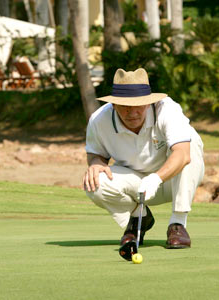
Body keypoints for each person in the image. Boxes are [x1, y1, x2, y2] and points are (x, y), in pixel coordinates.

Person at [83, 68, 204, 260]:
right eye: (125, 106)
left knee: (191, 143)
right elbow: (96, 154)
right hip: (136, 186)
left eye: (139, 104)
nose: (133, 112)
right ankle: (139, 217)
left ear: (149, 102)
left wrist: (156, 178)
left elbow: (182, 154)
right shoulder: (99, 120)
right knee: (94, 180)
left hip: (173, 181)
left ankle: (178, 224)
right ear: (113, 104)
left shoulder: (167, 109)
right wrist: (96, 164)